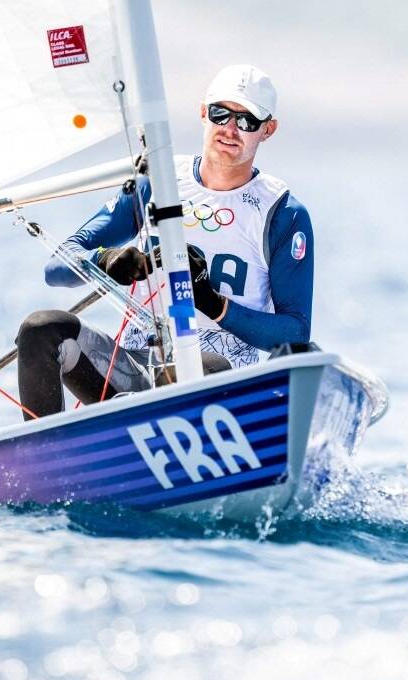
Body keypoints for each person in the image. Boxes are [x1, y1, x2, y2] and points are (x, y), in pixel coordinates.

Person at [16, 64, 314, 419]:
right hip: (133, 369)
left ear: (268, 130)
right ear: (203, 113)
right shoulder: (157, 180)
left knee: (200, 367)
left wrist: (214, 304)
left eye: (247, 120)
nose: (231, 130)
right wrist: (108, 261)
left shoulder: (282, 213)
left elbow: (296, 330)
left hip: (221, 378)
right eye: (221, 114)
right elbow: (55, 268)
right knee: (40, 329)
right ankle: (44, 459)